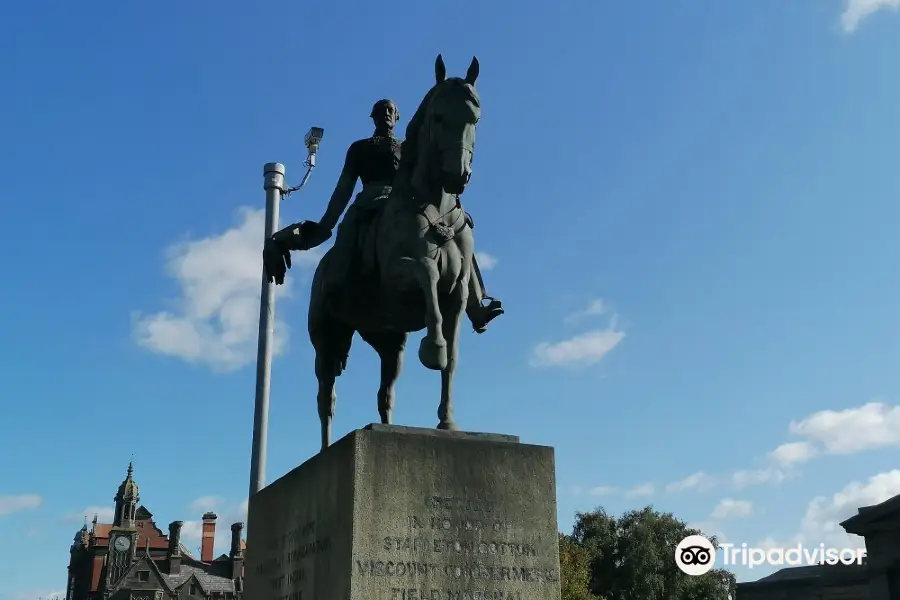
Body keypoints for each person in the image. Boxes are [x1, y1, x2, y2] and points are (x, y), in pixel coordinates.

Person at [314, 98, 503, 333]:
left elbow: (428, 178)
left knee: (459, 227)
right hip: (370, 201)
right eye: (381, 111)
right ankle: (337, 281)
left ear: (397, 117)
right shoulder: (360, 148)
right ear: (373, 117)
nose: (386, 114)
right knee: (350, 228)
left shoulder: (409, 147)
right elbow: (344, 187)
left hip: (407, 202)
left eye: (390, 111)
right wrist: (326, 223)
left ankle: (476, 304)